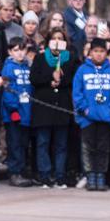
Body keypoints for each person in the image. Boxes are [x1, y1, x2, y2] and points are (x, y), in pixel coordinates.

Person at [29, 29, 77, 188]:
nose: (57, 41)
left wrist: (61, 81)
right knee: (43, 142)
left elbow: (73, 80)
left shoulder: (70, 59)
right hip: (44, 106)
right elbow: (34, 78)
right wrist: (50, 77)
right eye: (54, 38)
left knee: (61, 144)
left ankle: (60, 175)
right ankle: (44, 175)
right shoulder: (41, 58)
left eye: (60, 38)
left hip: (62, 105)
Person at [73, 38, 110, 191]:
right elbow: (77, 93)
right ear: (90, 53)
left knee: (103, 148)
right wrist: (84, 109)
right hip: (87, 117)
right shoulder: (82, 70)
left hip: (105, 117)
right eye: (96, 51)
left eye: (102, 52)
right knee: (88, 147)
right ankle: (90, 175)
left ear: (106, 53)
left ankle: (101, 175)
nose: (99, 55)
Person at [1, 38, 33, 187]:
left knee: (24, 143)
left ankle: (22, 169)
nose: (20, 53)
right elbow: (8, 90)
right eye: (15, 50)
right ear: (10, 52)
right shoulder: (8, 68)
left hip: (27, 111)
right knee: (15, 143)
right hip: (14, 113)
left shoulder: (28, 67)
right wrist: (13, 109)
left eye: (22, 50)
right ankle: (14, 172)